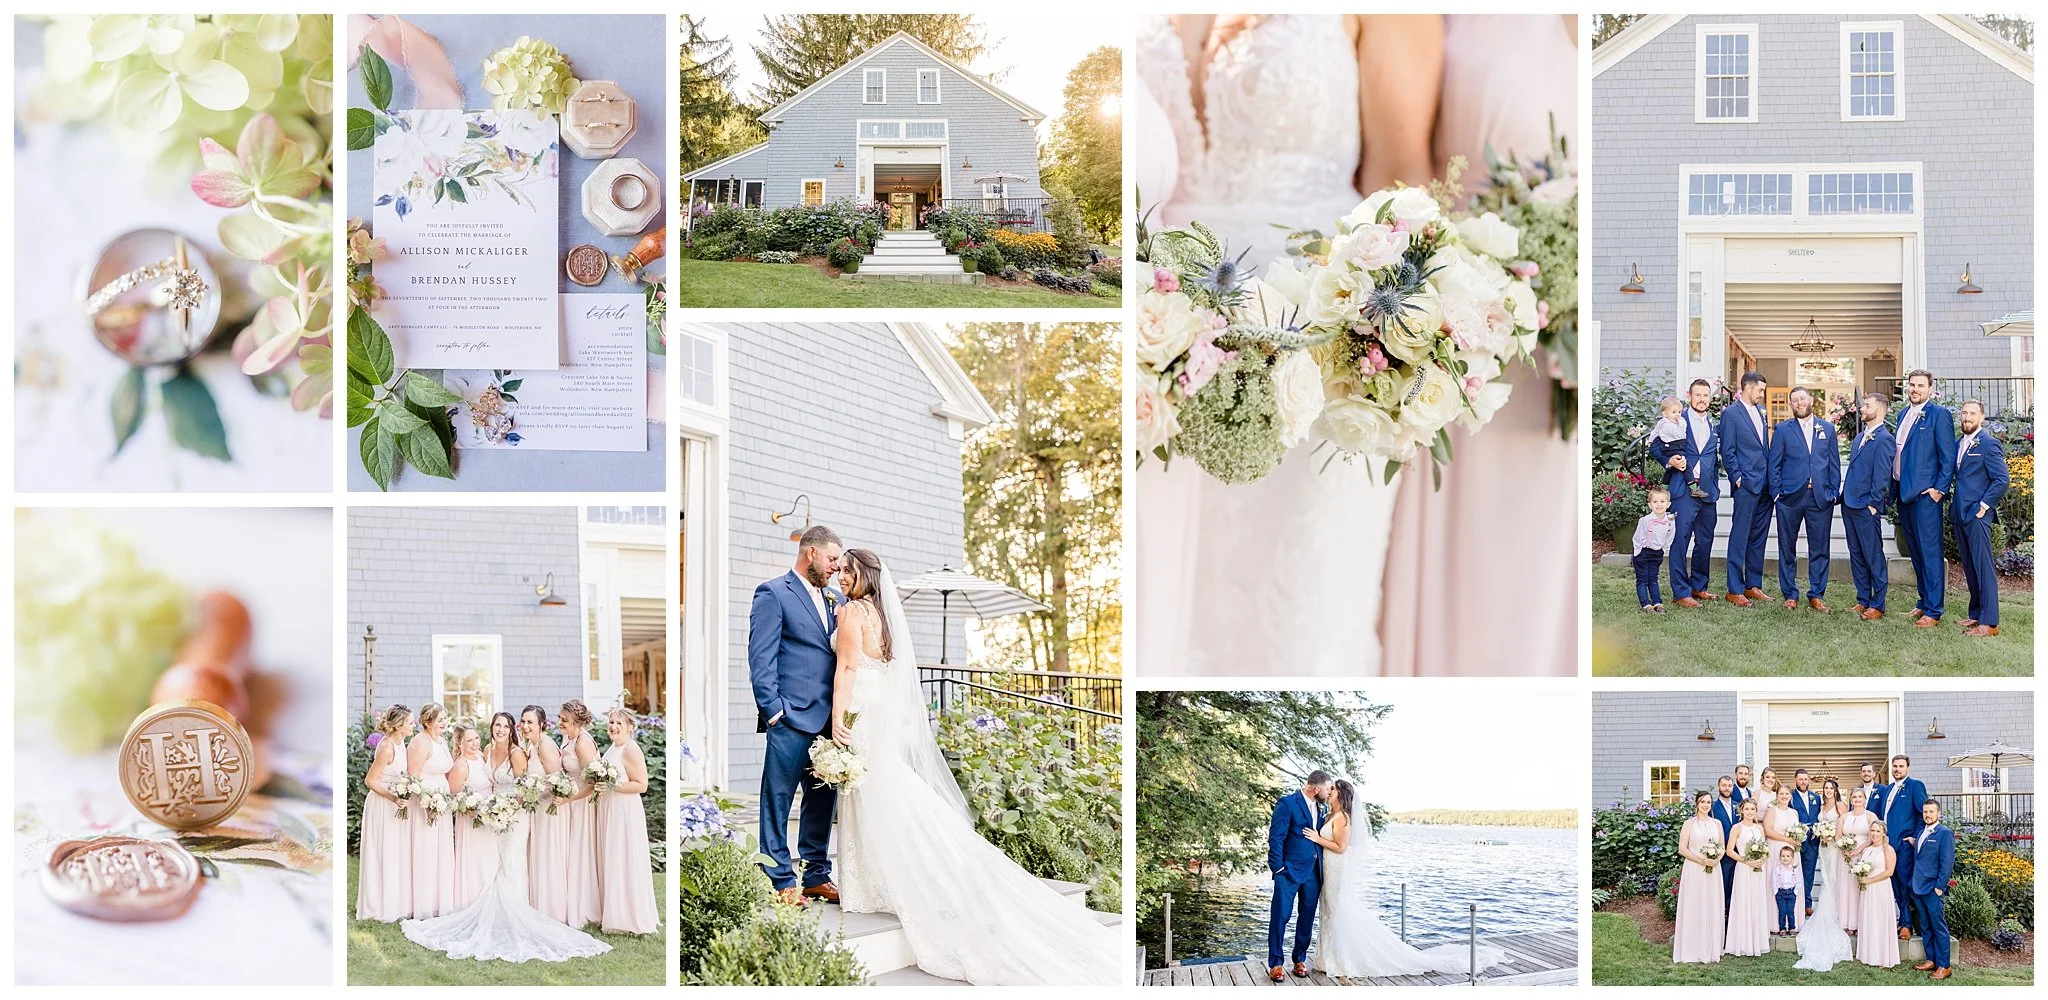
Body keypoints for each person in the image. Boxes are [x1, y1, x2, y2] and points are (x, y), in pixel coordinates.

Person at [828, 547, 1120, 985]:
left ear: (864, 576)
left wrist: (837, 718)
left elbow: (848, 667)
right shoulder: (883, 616)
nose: (842, 577)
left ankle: (872, 887)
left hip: (861, 713)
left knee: (872, 794)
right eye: (841, 571)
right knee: (883, 793)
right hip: (880, 710)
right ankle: (875, 882)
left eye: (848, 571)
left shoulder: (852, 612)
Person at [400, 712, 610, 962]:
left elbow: (524, 789)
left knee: (512, 859)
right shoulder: (487, 750)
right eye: (497, 725)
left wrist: (509, 809)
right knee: (495, 862)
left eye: (505, 726)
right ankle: (492, 908)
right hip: (493, 813)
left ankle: (518, 909)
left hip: (515, 814)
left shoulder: (516, 753)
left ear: (512, 730)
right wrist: (491, 809)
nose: (500, 729)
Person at [1307, 778, 1506, 977]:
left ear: (1341, 794)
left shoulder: (1342, 817)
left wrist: (1318, 839)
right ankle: (1326, 958)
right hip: (1328, 868)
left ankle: (1341, 959)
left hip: (1336, 869)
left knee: (1336, 911)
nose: (1329, 791)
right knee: (1329, 912)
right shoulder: (1330, 814)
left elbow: (1341, 848)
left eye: (1333, 789)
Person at [747, 524, 843, 905]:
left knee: (822, 801)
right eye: (833, 558)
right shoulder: (773, 593)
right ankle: (779, 880)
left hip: (827, 722)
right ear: (811, 553)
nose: (837, 566)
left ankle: (816, 875)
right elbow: (761, 656)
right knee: (778, 799)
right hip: (789, 719)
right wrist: (773, 711)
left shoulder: (836, 599)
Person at [1892, 370, 1956, 627]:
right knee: (1916, 553)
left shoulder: (1939, 415)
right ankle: (1923, 602)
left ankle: (1935, 610)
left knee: (1930, 553)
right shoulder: (1902, 414)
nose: (1915, 389)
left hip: (1925, 496)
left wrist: (1938, 490)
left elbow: (1947, 457)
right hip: (1903, 493)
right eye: (1912, 385)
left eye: (1920, 385)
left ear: (1930, 389)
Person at [1769, 386, 1839, 612]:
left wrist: (1833, 492)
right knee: (1787, 547)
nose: (1799, 403)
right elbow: (1774, 464)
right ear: (1791, 405)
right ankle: (1790, 593)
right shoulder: (1782, 429)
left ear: (1811, 400)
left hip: (1820, 498)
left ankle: (1816, 594)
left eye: (1802, 398)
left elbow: (1834, 464)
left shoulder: (1827, 429)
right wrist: (1777, 493)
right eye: (1794, 400)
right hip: (1789, 497)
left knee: (1819, 548)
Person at [1950, 399, 2008, 637]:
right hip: (1959, 514)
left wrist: (1984, 506)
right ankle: (1975, 614)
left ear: (1981, 418)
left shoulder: (1989, 444)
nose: (1967, 417)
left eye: (1972, 414)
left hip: (1977, 515)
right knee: (1970, 567)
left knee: (1983, 567)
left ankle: (1990, 622)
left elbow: (2001, 480)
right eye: (1964, 413)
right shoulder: (1958, 444)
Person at [1662, 379, 1721, 607]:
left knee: (1705, 541)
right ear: (1689, 396)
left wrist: (1714, 485)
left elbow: (1712, 458)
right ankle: (1681, 593)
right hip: (1684, 491)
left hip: (1707, 491)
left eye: (1706, 395)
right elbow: (1658, 446)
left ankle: (1699, 587)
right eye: (1698, 395)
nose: (1702, 399)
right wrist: (1669, 460)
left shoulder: (1712, 425)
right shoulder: (1677, 419)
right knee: (1680, 540)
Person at [1266, 771, 1330, 981]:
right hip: (1288, 872)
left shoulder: (1321, 808)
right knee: (1280, 916)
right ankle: (1275, 963)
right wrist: (1278, 868)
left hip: (1313, 872)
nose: (1329, 793)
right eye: (1328, 788)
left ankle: (1299, 959)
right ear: (1317, 788)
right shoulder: (1287, 804)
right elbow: (1276, 837)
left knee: (1307, 917)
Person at [1718, 371, 1774, 605]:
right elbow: (1727, 450)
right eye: (1760, 390)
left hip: (1765, 486)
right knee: (1740, 536)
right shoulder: (1731, 414)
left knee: (1758, 538)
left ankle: (1752, 585)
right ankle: (1734, 588)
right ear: (1747, 388)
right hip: (1746, 484)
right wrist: (1737, 478)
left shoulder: (1760, 413)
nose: (1762, 394)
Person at [356, 704, 414, 922]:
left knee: (395, 852)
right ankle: (377, 906)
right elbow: (370, 780)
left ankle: (395, 902)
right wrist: (393, 798)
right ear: (399, 725)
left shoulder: (402, 744)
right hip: (382, 803)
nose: (413, 725)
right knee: (383, 851)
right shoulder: (387, 747)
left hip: (396, 803)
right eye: (410, 722)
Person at [1842, 393, 1895, 620]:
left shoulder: (1884, 439)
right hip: (1849, 504)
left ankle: (1878, 604)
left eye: (1867, 406)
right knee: (1856, 554)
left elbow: (1882, 475)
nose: (1862, 409)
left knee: (1873, 555)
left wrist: (1874, 505)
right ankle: (1863, 598)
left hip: (1866, 507)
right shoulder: (1860, 438)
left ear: (1880, 410)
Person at [1876, 755, 1929, 937]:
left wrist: (1915, 837)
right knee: (1894, 884)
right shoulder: (1888, 789)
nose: (1897, 769)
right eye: (1895, 766)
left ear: (1907, 768)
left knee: (1905, 884)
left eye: (1901, 766)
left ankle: (1907, 925)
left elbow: (1925, 814)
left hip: (1904, 845)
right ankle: (1902, 920)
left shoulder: (1915, 786)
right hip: (1887, 845)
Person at [1673, 791, 1726, 963]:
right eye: (1702, 801)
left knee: (1711, 904)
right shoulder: (1689, 824)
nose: (1705, 805)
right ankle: (1692, 947)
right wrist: (1702, 860)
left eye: (1709, 802)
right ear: (1696, 803)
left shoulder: (1717, 823)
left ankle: (1712, 946)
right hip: (1694, 870)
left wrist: (1716, 859)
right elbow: (1682, 849)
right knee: (1694, 904)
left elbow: (1722, 847)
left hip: (1713, 870)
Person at [1909, 800, 1956, 979]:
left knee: (1938, 927)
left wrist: (1939, 887)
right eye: (1925, 812)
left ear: (1938, 814)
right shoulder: (1921, 832)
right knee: (1925, 926)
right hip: (1918, 887)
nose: (1927, 815)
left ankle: (1944, 965)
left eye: (1931, 812)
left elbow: (1947, 863)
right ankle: (1931, 960)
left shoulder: (1944, 834)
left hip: (1932, 888)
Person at [1723, 799, 1770, 956]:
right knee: (1743, 902)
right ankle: (1742, 942)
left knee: (1756, 902)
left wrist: (1762, 859)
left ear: (1756, 811)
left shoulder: (1760, 828)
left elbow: (1764, 848)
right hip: (1743, 869)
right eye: (1747, 809)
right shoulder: (1737, 828)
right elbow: (1729, 851)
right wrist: (1746, 861)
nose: (1750, 812)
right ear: (1741, 811)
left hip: (1758, 869)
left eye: (1752, 809)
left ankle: (1757, 941)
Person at [1855, 821, 1901, 968]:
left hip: (1880, 888)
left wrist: (1869, 880)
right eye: (1872, 831)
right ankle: (1868, 954)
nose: (1874, 834)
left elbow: (1889, 872)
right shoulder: (1866, 850)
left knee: (1880, 920)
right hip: (1867, 890)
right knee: (1869, 919)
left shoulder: (1888, 850)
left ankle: (1883, 957)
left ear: (1883, 833)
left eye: (1877, 831)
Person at [1631, 486, 1675, 612]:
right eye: (1655, 502)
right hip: (1643, 553)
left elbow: (1670, 536)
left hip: (1657, 553)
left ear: (1668, 504)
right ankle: (1646, 604)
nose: (1659, 505)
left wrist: (1664, 548)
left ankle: (1657, 602)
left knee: (1653, 578)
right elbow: (1637, 538)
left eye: (1662, 501)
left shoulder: (1670, 521)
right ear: (1650, 505)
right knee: (1643, 579)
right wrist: (1638, 553)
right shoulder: (1645, 520)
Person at [1652, 396, 1706, 499]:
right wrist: (1667, 461)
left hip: (1677, 447)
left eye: (1679, 412)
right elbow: (1658, 439)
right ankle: (1694, 488)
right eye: (1674, 412)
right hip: (1673, 448)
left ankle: (1663, 489)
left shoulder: (1669, 422)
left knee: (1669, 470)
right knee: (1686, 467)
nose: (1677, 415)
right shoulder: (1667, 424)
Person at [1789, 769, 1823, 912]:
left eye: (1805, 779)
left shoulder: (1816, 797)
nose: (1803, 782)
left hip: (1812, 840)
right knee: (1794, 872)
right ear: (1796, 780)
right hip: (1796, 840)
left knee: (1809, 873)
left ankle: (1807, 904)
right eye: (1800, 779)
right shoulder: (1789, 796)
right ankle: (1795, 903)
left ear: (1809, 780)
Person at [1710, 774, 1741, 919]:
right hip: (1722, 854)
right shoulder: (1713, 807)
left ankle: (1734, 913)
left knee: (1737, 885)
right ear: (1719, 787)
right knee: (1723, 884)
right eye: (1724, 786)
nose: (1727, 789)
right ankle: (1722, 914)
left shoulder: (1738, 806)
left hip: (1738, 852)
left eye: (1729, 786)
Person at [1772, 847, 1801, 936]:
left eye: (1788, 856)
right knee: (1782, 912)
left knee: (1790, 911)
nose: (1785, 858)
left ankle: (1792, 928)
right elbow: (1774, 881)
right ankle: (1782, 929)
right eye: (1783, 856)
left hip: (1791, 893)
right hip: (1780, 893)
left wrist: (1795, 892)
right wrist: (1776, 891)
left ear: (1792, 858)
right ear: (1780, 857)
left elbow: (1799, 881)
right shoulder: (1777, 870)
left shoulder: (1794, 870)